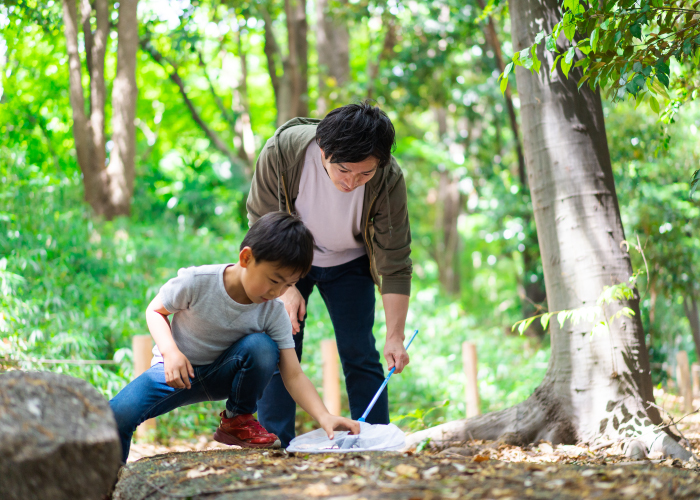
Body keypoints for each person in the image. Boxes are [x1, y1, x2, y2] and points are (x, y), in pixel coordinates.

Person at [109, 212, 359, 463]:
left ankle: (237, 420)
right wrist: (170, 351)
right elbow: (155, 310)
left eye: (287, 285)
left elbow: (293, 374)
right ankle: (109, 485)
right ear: (247, 257)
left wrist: (324, 416)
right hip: (175, 373)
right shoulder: (197, 281)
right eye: (273, 280)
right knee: (115, 417)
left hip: (225, 374)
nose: (277, 292)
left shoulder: (273, 312)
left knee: (262, 346)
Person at [247, 101, 413, 447]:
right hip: (288, 255)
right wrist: (285, 287)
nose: (352, 182)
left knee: (360, 352)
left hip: (349, 261)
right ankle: (276, 443)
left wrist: (395, 335)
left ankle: (373, 441)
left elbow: (394, 260)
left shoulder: (388, 177)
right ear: (324, 151)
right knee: (280, 343)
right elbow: (262, 220)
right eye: (343, 170)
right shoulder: (283, 151)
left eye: (364, 174)